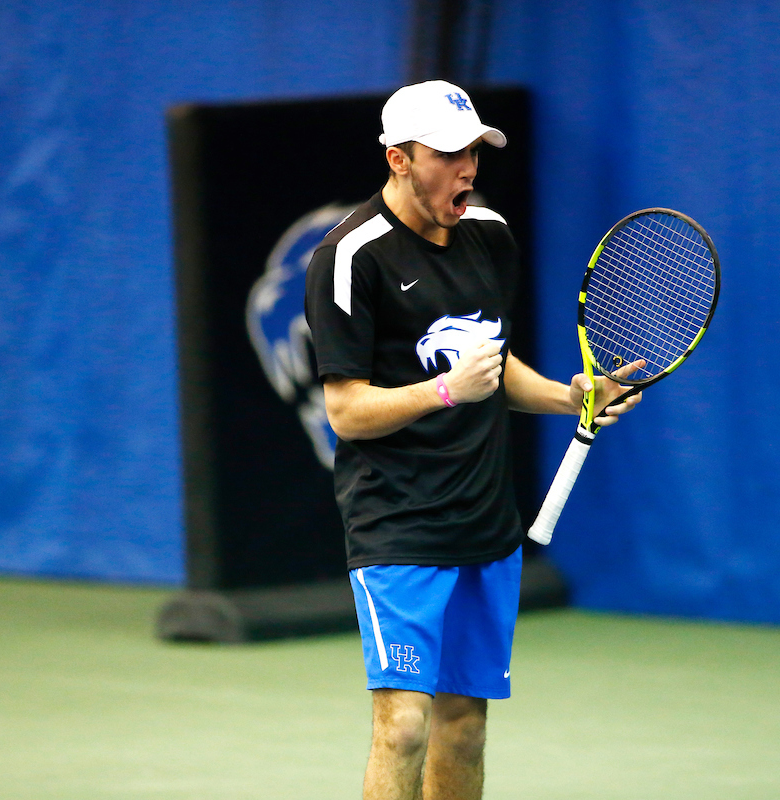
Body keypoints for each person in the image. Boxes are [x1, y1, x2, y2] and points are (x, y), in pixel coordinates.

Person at [304, 80, 643, 800]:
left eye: (475, 152)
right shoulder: (349, 257)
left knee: (464, 726)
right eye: (449, 155)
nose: (468, 169)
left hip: (485, 520)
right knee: (403, 726)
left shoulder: (488, 231)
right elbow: (345, 410)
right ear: (398, 159)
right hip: (396, 520)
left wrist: (568, 395)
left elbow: (494, 359)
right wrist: (444, 390)